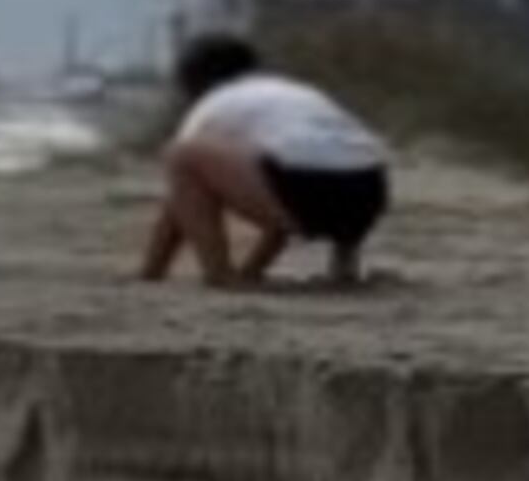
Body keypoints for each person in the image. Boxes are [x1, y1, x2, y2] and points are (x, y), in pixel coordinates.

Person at [139, 33, 394, 289]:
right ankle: (343, 265)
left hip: (308, 195)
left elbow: (180, 198)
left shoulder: (213, 105)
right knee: (285, 159)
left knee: (181, 155)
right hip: (369, 200)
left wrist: (152, 271)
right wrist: (253, 270)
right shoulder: (290, 92)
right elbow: (278, 172)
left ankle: (219, 274)